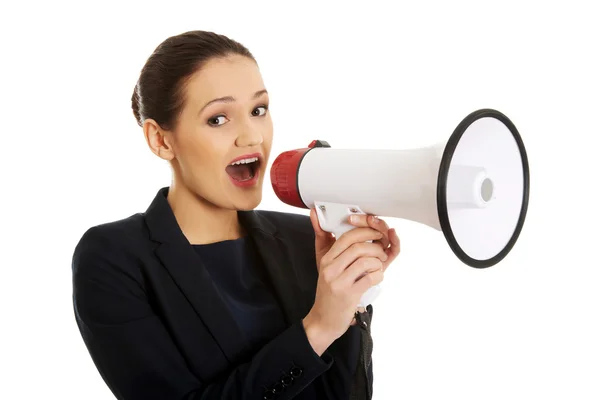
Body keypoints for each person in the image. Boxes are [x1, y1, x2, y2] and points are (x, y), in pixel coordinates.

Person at [71, 30, 400, 400]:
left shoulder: (305, 238)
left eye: (258, 110)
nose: (252, 137)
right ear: (161, 140)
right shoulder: (113, 257)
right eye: (218, 119)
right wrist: (320, 326)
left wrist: (353, 301)